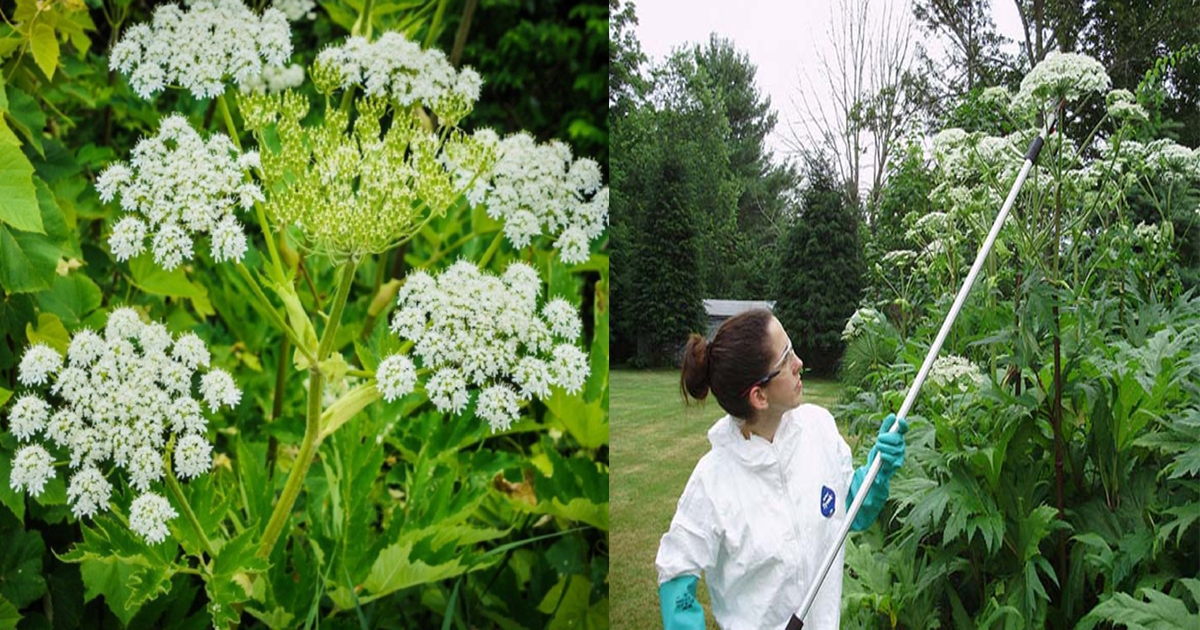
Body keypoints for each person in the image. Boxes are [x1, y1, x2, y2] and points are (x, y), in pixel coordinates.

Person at [655, 309, 908, 629]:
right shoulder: (713, 482)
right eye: (785, 358)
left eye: (791, 348)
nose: (799, 362)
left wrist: (877, 471)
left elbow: (846, 510)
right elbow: (676, 569)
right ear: (759, 396)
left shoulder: (819, 428)